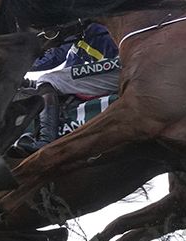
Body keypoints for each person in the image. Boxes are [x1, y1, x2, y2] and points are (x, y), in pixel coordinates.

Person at [15, 22, 120, 153]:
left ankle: (46, 140)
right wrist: (27, 82)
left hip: (116, 71)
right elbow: (56, 62)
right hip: (95, 79)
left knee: (48, 79)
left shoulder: (99, 31)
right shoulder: (77, 35)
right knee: (31, 89)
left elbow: (56, 67)